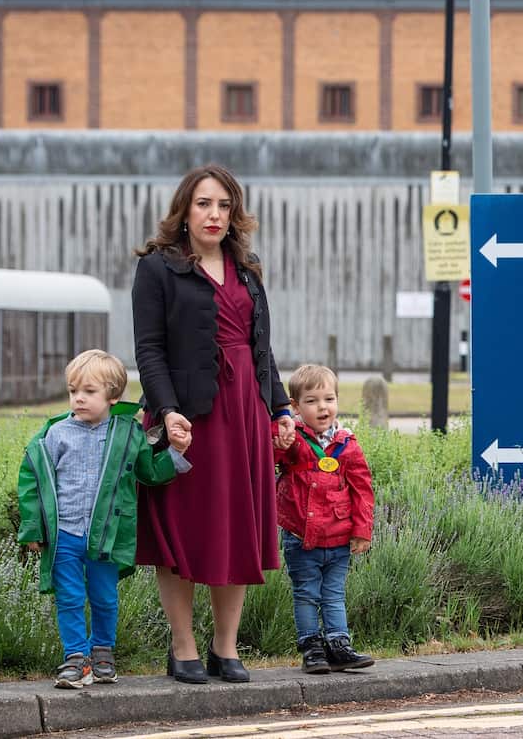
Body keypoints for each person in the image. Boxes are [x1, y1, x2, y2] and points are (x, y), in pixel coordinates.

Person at [131, 164, 296, 684]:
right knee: (180, 531)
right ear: (185, 210)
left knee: (236, 528)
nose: (214, 215)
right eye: (204, 204)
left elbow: (261, 349)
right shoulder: (157, 268)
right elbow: (149, 349)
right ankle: (183, 649)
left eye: (224, 205)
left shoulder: (247, 269)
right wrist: (167, 409)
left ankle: (226, 649)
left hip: (245, 413)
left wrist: (282, 408)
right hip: (188, 418)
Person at [17, 349, 188, 689]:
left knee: (104, 596)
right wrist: (33, 528)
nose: (78, 399)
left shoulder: (127, 434)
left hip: (106, 535)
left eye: (88, 392)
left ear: (113, 396)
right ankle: (76, 659)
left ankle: (102, 651)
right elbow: (32, 480)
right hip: (64, 533)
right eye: (73, 391)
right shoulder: (54, 434)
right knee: (68, 596)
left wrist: (177, 453)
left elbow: (150, 473)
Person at [273, 364, 375, 674]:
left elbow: (362, 489)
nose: (322, 407)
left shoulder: (347, 443)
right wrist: (280, 441)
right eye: (312, 401)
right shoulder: (294, 439)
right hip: (302, 536)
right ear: (295, 407)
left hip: (339, 536)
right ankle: (311, 647)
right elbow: (272, 459)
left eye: (329, 399)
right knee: (306, 592)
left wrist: (362, 530)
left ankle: (338, 644)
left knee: (333, 593)